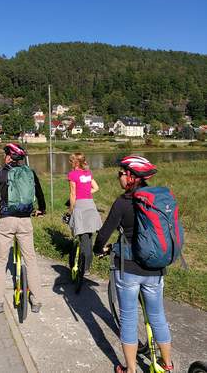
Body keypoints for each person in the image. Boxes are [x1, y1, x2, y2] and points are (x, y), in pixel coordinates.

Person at [93, 155, 173, 373]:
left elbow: (103, 234)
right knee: (158, 316)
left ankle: (130, 370)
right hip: (156, 269)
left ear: (130, 177)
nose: (118, 176)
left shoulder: (122, 202)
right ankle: (167, 365)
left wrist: (98, 249)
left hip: (128, 269)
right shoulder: (155, 200)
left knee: (128, 318)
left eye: (120, 173)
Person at [0, 143, 46, 314]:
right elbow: (40, 193)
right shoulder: (30, 172)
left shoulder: (0, 172)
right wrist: (41, 209)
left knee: (0, 261)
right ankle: (36, 301)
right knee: (31, 260)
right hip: (25, 220)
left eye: (5, 153)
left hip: (6, 220)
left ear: (8, 156)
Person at [68, 152, 102, 274]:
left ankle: (84, 267)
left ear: (75, 162)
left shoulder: (72, 174)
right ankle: (88, 265)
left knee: (83, 237)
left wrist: (71, 209)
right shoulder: (88, 173)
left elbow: (73, 194)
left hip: (80, 206)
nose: (70, 163)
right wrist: (87, 192)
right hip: (91, 205)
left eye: (71, 161)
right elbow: (96, 188)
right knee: (89, 236)